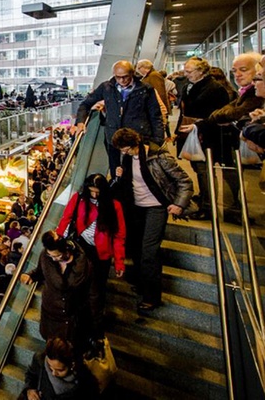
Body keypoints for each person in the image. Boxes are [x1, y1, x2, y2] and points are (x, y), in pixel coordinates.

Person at [112, 128, 193, 311]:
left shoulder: (158, 157)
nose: (122, 153)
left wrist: (179, 204)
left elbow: (185, 181)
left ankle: (152, 296)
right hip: (135, 208)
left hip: (156, 207)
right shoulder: (126, 158)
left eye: (125, 149)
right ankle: (141, 284)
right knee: (136, 248)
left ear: (135, 144)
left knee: (149, 251)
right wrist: (120, 176)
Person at [179, 53, 264, 216]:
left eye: (243, 70)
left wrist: (211, 120)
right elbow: (229, 111)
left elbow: (233, 113)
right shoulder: (245, 92)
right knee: (205, 170)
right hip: (204, 133)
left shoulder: (218, 89)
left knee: (223, 172)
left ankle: (226, 208)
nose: (237, 75)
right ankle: (219, 206)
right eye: (234, 71)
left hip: (217, 138)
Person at [56, 173, 126, 337]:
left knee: (97, 289)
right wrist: (58, 240)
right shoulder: (79, 199)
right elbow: (66, 219)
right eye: (91, 191)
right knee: (79, 285)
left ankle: (94, 323)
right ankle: (78, 320)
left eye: (97, 192)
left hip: (102, 253)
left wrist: (119, 261)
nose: (94, 195)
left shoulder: (113, 206)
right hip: (81, 248)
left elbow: (119, 235)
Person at [73, 60, 164, 173]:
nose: (121, 80)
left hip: (137, 139)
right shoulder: (106, 87)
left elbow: (155, 116)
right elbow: (85, 104)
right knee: (116, 173)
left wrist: (157, 142)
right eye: (118, 77)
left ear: (132, 73)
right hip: (113, 140)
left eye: (125, 77)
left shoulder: (145, 89)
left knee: (139, 173)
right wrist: (80, 122)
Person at [174, 57, 231, 214]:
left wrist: (198, 125)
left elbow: (220, 116)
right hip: (191, 133)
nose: (186, 74)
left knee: (205, 170)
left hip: (207, 136)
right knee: (198, 168)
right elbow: (185, 111)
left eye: (189, 71)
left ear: (201, 71)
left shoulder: (215, 89)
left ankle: (208, 206)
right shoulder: (190, 86)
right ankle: (205, 197)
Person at [21, 231, 91, 347]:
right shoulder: (45, 256)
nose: (54, 259)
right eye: (51, 256)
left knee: (69, 349)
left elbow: (92, 293)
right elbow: (40, 272)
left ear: (67, 250)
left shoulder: (82, 264)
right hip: (51, 314)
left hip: (72, 316)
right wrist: (30, 276)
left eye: (58, 256)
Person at [21, 337, 99, 400]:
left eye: (60, 370)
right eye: (50, 367)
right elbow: (31, 375)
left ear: (72, 365)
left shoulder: (86, 384)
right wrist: (29, 390)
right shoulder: (40, 361)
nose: (53, 373)